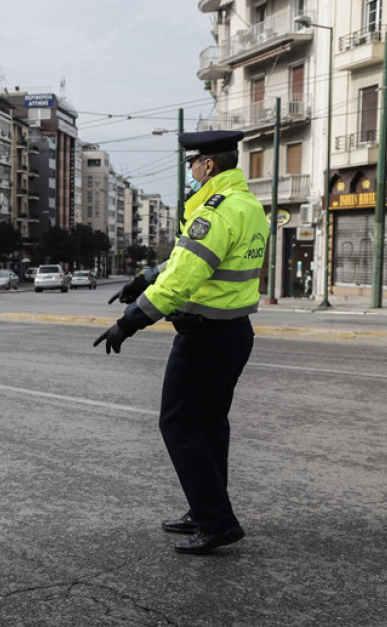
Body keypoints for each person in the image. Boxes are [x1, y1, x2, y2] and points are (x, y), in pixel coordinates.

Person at [94, 130, 267, 555]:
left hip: (205, 335)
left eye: (192, 165)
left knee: (178, 423)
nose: (190, 172)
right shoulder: (247, 205)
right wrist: (143, 279)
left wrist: (129, 322)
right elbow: (185, 261)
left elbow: (186, 277)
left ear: (208, 165)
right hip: (234, 333)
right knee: (209, 425)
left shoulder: (215, 211)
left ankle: (216, 521)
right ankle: (206, 508)